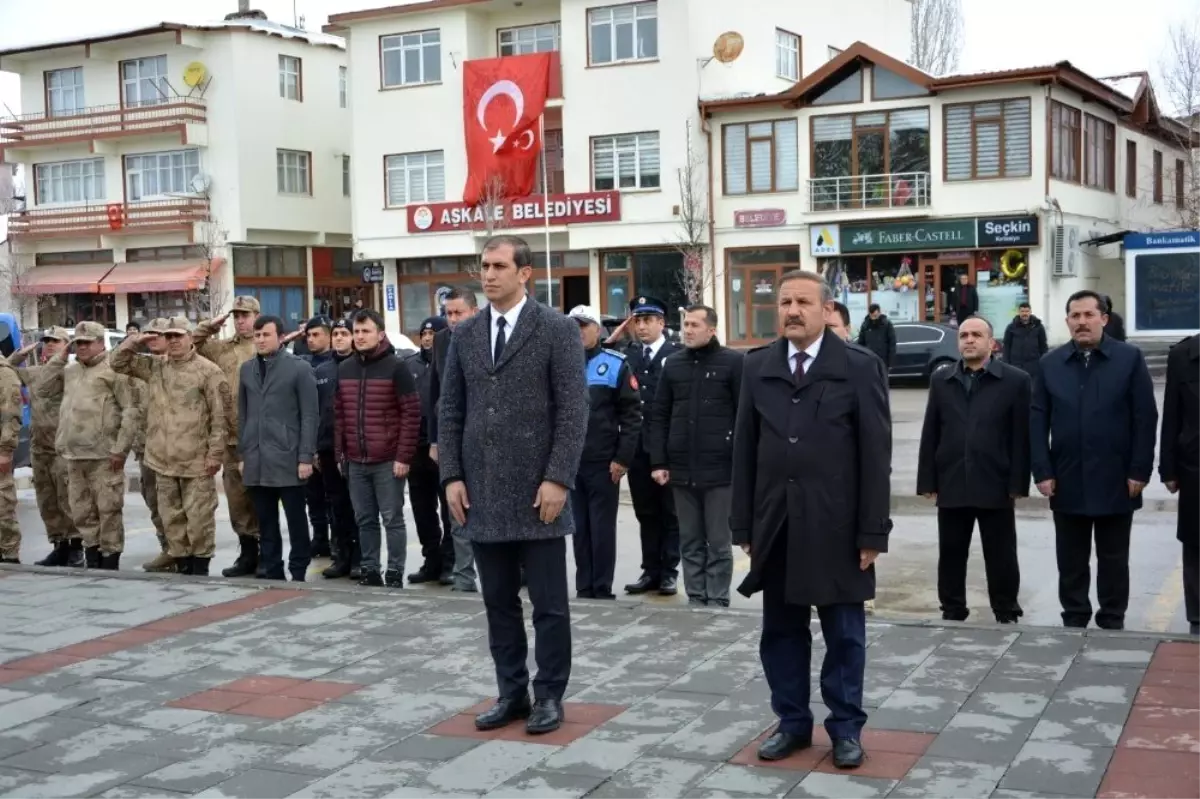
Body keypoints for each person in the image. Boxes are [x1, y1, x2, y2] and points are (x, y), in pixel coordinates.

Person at [730, 270, 891, 769]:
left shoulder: (859, 366)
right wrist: (744, 526)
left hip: (838, 528)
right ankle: (792, 723)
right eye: (784, 302)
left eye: (802, 301)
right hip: (776, 524)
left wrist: (872, 532)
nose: (792, 310)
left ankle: (845, 729)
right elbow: (746, 452)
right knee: (780, 631)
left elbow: (874, 455)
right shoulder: (757, 367)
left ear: (826, 310)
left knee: (844, 634)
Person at [439, 234, 588, 735]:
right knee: (498, 602)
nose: (488, 275)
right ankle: (511, 693)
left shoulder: (557, 328)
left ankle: (549, 696)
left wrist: (558, 478)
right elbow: (451, 409)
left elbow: (572, 410)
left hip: (539, 491)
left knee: (548, 605)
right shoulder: (465, 333)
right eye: (484, 265)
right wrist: (452, 476)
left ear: (525, 273)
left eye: (499, 266)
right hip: (481, 491)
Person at [1031, 290, 1157, 630]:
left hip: (1118, 478)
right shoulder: (1050, 364)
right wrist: (1042, 471)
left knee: (1114, 558)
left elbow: (1145, 418)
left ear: (1104, 318)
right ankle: (1074, 616)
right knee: (1071, 559)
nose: (1082, 322)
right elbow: (1037, 420)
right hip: (1066, 477)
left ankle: (1112, 617)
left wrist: (1139, 471)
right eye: (1075, 316)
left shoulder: (1129, 359)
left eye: (1089, 315)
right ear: (1068, 321)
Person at [917, 316, 1030, 624]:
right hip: (951, 479)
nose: (969, 340)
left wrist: (1018, 482)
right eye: (964, 335)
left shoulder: (1015, 380)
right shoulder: (942, 380)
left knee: (1001, 553)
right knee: (951, 552)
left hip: (996, 480)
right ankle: (952, 608)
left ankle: (1006, 608)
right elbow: (931, 431)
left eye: (976, 335)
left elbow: (1022, 436)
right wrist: (927, 478)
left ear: (991, 343)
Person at [112, 317, 230, 575]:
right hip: (162, 460)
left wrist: (215, 454)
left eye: (179, 335)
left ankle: (199, 568)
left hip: (195, 460)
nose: (174, 340)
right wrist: (135, 341)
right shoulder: (155, 367)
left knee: (198, 521)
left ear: (190, 337)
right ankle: (181, 563)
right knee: (172, 519)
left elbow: (221, 417)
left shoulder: (208, 371)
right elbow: (117, 362)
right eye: (169, 336)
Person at [649, 305, 743, 607]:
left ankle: (716, 598)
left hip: (720, 471)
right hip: (681, 470)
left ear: (712, 329)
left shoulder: (733, 363)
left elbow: (745, 416)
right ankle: (696, 597)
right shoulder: (673, 365)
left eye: (694, 325)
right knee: (689, 539)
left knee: (718, 542)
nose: (687, 330)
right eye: (685, 324)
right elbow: (659, 415)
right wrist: (659, 461)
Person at [334, 308, 420, 588]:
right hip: (356, 460)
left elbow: (411, 413)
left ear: (380, 334)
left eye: (365, 331)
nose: (359, 336)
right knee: (364, 519)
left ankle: (395, 570)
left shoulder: (396, 367)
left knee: (392, 518)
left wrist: (403, 456)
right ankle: (370, 568)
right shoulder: (345, 368)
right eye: (356, 332)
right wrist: (340, 454)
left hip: (387, 460)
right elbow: (339, 415)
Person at [45, 322, 140, 569]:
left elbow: (131, 411)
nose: (82, 347)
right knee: (81, 512)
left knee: (108, 511)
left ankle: (109, 561)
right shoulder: (71, 370)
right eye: (78, 343)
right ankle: (92, 556)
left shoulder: (114, 369)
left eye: (87, 342)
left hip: (104, 455)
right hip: (74, 455)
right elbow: (44, 388)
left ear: (101, 342)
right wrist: (61, 356)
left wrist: (121, 448)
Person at [568, 305, 641, 600]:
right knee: (579, 529)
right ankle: (584, 586)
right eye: (573, 326)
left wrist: (622, 459)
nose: (579, 331)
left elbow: (632, 416)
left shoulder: (614, 364)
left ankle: (601, 586)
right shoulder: (561, 364)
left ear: (597, 330)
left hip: (603, 462)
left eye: (584, 326)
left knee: (601, 528)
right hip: (571, 462)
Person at [238, 315, 318, 582]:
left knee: (296, 520)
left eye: (266, 335)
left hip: (289, 457)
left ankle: (298, 570)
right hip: (257, 458)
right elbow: (244, 413)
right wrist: (243, 453)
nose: (260, 340)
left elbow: (309, 416)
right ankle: (271, 569)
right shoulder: (247, 369)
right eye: (257, 335)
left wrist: (306, 456)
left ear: (281, 337)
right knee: (266, 520)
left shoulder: (299, 368)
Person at [192, 296, 261, 578]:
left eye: (245, 315)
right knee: (237, 501)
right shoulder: (222, 349)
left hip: (259, 439)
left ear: (257, 315)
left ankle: (268, 554)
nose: (240, 320)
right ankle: (247, 554)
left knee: (262, 499)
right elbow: (191, 346)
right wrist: (210, 325)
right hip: (232, 439)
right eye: (236, 315)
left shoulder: (263, 345)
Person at [622, 295, 683, 596]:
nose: (642, 326)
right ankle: (651, 570)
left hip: (667, 448)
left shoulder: (676, 355)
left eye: (648, 320)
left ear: (662, 322)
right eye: (637, 320)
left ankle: (669, 571)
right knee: (645, 512)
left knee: (669, 512)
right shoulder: (628, 355)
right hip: (637, 447)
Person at [9, 328, 83, 568]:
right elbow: (6, 373)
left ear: (66, 345)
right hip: (39, 447)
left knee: (67, 499)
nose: (49, 345)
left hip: (62, 446)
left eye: (55, 341)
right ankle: (58, 545)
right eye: (46, 342)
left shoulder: (71, 372)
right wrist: (18, 356)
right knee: (47, 500)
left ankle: (75, 547)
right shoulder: (36, 372)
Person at [429, 286, 481, 592]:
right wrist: (435, 440)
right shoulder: (441, 341)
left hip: (484, 434)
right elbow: (434, 391)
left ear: (474, 312)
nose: (452, 319)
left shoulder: (489, 336)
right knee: (456, 508)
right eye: (448, 314)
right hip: (452, 436)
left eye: (458, 313)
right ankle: (464, 577)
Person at [405, 315, 454, 585]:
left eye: (433, 332)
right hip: (416, 449)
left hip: (441, 448)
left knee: (449, 510)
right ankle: (431, 560)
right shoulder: (409, 365)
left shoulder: (449, 363)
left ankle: (450, 562)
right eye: (423, 332)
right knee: (422, 511)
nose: (427, 337)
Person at [1160, 333, 1200, 636]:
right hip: (1194, 466)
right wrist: (1168, 469)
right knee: (1196, 541)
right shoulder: (1183, 355)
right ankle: (1197, 617)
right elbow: (1171, 414)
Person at [316, 319, 360, 579]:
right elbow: (315, 412)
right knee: (336, 505)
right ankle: (341, 556)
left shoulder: (359, 367)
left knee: (358, 506)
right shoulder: (321, 370)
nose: (340, 338)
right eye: (336, 334)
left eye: (345, 333)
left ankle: (359, 557)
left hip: (355, 449)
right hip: (327, 448)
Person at [128, 318, 171, 571]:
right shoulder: (140, 368)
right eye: (149, 334)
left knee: (177, 505)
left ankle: (183, 552)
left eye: (159, 334)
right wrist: (135, 342)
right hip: (146, 449)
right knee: (154, 501)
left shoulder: (178, 366)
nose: (154, 338)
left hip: (175, 449)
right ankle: (166, 548)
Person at [298, 316, 335, 559]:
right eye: (308, 336)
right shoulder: (302, 364)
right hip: (308, 441)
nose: (311, 340)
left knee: (334, 498)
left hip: (331, 442)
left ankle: (337, 541)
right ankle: (319, 538)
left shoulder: (338, 363)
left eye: (316, 335)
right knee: (313, 498)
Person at [0, 355, 22, 564]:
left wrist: (5, 451)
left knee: (2, 503)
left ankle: (9, 552)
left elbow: (12, 416)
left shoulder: (5, 374)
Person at [1002, 302, 1048, 379]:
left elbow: (1043, 346)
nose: (1024, 314)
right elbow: (1007, 346)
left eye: (1026, 311)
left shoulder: (1038, 327)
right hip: (1016, 366)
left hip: (1034, 366)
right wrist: (1006, 364)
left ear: (1030, 312)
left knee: (1033, 389)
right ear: (1019, 312)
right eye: (1022, 311)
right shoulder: (1011, 327)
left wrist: (1044, 362)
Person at [856, 304, 896, 368]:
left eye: (875, 316)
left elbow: (892, 344)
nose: (873, 318)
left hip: (883, 360)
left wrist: (890, 363)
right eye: (871, 316)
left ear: (879, 313)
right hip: (869, 360)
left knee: (882, 377)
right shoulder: (865, 325)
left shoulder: (887, 325)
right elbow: (861, 343)